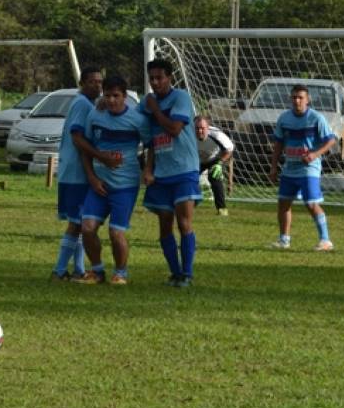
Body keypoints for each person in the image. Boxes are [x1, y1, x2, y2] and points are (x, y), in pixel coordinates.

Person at [73, 76, 150, 285]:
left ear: (125, 96)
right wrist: (92, 177)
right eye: (107, 95)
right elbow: (85, 148)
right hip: (99, 184)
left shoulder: (137, 120)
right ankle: (97, 271)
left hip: (125, 186)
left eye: (116, 96)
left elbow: (151, 146)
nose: (112, 100)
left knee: (116, 233)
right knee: (87, 227)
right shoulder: (95, 115)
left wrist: (149, 169)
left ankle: (120, 273)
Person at [139, 58, 202, 288]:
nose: (155, 82)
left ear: (170, 78)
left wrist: (155, 110)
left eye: (160, 77)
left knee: (184, 223)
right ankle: (175, 273)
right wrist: (148, 167)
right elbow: (148, 136)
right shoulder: (148, 102)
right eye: (152, 78)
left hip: (184, 169)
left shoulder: (180, 97)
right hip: (161, 173)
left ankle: (187, 273)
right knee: (164, 224)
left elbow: (175, 129)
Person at [52, 67, 107, 281]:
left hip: (72, 172)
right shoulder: (82, 104)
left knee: (81, 221)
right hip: (77, 173)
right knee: (77, 224)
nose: (98, 86)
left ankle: (79, 269)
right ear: (82, 83)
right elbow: (77, 137)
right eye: (93, 81)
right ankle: (58, 270)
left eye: (100, 82)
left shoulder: (85, 104)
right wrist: (100, 157)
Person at [268, 84, 337, 251]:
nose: (297, 100)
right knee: (283, 203)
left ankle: (325, 240)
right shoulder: (284, 119)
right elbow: (278, 143)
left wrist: (314, 154)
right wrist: (273, 167)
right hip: (289, 168)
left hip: (309, 168)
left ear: (308, 100)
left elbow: (331, 140)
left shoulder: (316, 118)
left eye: (300, 97)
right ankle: (284, 240)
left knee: (311, 203)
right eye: (294, 97)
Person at [195, 115, 234, 216]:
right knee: (188, 178)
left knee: (214, 176)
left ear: (208, 128)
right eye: (197, 128)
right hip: (196, 160)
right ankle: (188, 203)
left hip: (214, 159)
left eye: (202, 128)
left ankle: (222, 209)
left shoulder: (217, 135)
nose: (199, 131)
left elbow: (229, 150)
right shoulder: (188, 134)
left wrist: (220, 163)